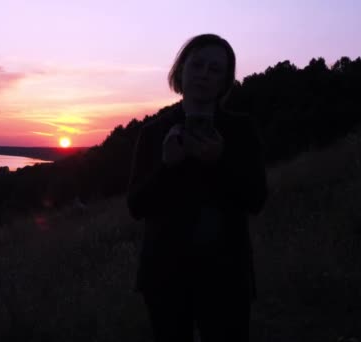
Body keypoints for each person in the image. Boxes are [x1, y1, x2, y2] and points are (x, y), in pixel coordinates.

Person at [126, 33, 268, 342]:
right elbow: (136, 206)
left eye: (215, 69)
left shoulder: (241, 130)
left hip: (227, 275)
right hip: (164, 275)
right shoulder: (153, 133)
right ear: (181, 71)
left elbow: (256, 199)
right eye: (198, 65)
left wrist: (220, 161)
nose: (204, 74)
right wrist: (167, 166)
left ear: (224, 81)